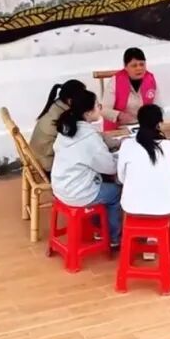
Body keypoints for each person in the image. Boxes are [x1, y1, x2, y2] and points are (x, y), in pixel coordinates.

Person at [51, 90, 121, 248]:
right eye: (97, 105)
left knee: (104, 185)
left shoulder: (66, 128)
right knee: (116, 192)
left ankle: (100, 227)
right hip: (78, 192)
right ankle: (113, 237)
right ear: (88, 113)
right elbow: (110, 168)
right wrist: (119, 155)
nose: (99, 108)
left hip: (60, 187)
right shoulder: (89, 138)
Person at [117, 104, 170, 218]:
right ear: (159, 123)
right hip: (166, 207)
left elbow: (122, 178)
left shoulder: (126, 145)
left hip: (132, 207)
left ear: (139, 122)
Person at [28, 79, 86, 173]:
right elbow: (78, 139)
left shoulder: (56, 105)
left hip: (38, 158)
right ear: (70, 100)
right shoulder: (63, 116)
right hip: (47, 164)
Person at [101, 47, 160, 130]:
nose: (139, 68)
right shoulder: (115, 81)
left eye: (142, 64)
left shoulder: (151, 79)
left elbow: (157, 105)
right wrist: (118, 115)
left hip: (144, 125)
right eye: (134, 65)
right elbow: (103, 110)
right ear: (125, 67)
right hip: (120, 127)